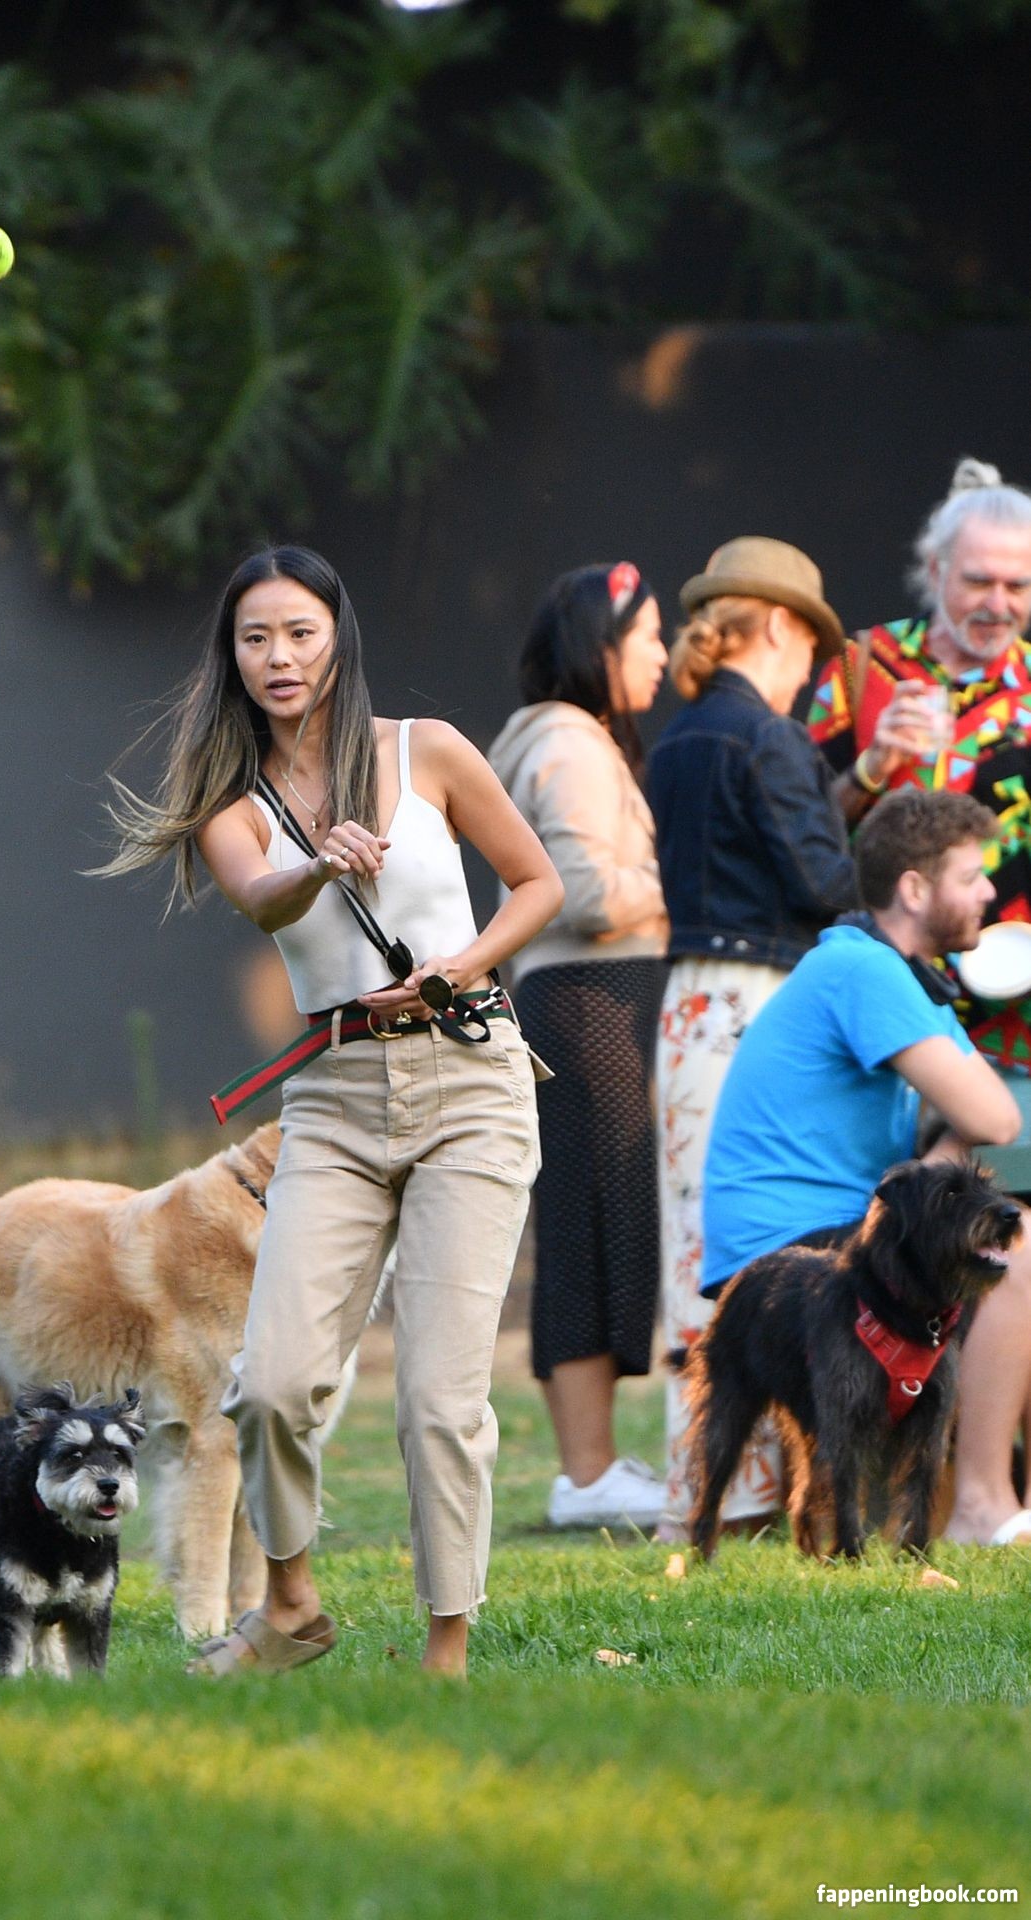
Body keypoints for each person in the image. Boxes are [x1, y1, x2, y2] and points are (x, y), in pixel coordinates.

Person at [98, 546, 562, 1677]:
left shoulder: (427, 750)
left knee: (440, 1399)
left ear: (337, 639)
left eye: (299, 632)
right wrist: (316, 867)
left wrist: (462, 964)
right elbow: (263, 899)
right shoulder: (229, 804)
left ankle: (446, 1654)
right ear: (232, 657)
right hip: (334, 1100)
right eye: (255, 638)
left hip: (471, 1080)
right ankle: (291, 1608)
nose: (279, 657)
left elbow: (540, 884)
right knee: (270, 1383)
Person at [700, 788, 1031, 1547]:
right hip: (788, 1247)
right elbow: (995, 1120)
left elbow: (968, 1131)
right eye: (971, 876)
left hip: (841, 1223)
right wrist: (943, 1172)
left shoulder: (901, 976)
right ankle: (980, 1502)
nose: (990, 892)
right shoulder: (863, 970)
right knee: (1015, 1248)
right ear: (914, 889)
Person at [645, 538, 858, 1535]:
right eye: (813, 644)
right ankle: (761, 1491)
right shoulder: (767, 736)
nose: (815, 666)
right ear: (778, 623)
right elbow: (822, 883)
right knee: (775, 1245)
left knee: (697, 1241)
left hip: (688, 1004)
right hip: (763, 1008)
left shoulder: (680, 737)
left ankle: (708, 1485)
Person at [488, 562, 669, 1531]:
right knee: (591, 1226)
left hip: (586, 1003)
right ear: (601, 646)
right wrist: (689, 883)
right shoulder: (567, 742)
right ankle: (588, 1476)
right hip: (591, 1003)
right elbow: (588, 894)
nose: (662, 655)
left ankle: (591, 1471)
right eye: (648, 636)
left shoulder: (571, 738)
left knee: (592, 1224)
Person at [810, 459, 1031, 1070]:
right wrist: (871, 768)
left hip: (1013, 1017)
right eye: (978, 582)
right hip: (874, 1004)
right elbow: (804, 830)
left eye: (1018, 587)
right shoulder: (859, 668)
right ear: (935, 572)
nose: (998, 604)